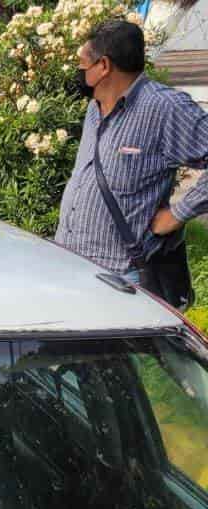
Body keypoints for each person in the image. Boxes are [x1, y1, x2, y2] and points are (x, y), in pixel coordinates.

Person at [55, 20, 208, 306]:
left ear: (103, 66)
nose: (78, 71)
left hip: (120, 280)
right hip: (71, 265)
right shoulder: (95, 108)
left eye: (81, 63)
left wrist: (177, 214)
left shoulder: (164, 108)